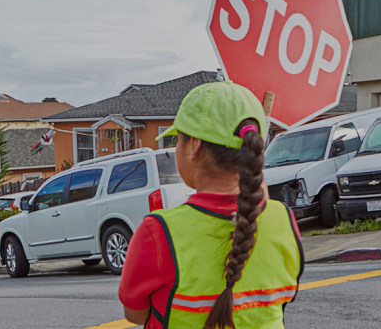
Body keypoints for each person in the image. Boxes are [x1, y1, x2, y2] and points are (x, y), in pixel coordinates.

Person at [118, 81, 303, 329]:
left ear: (194, 145)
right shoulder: (284, 220)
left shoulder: (159, 232)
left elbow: (136, 314)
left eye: (178, 139)